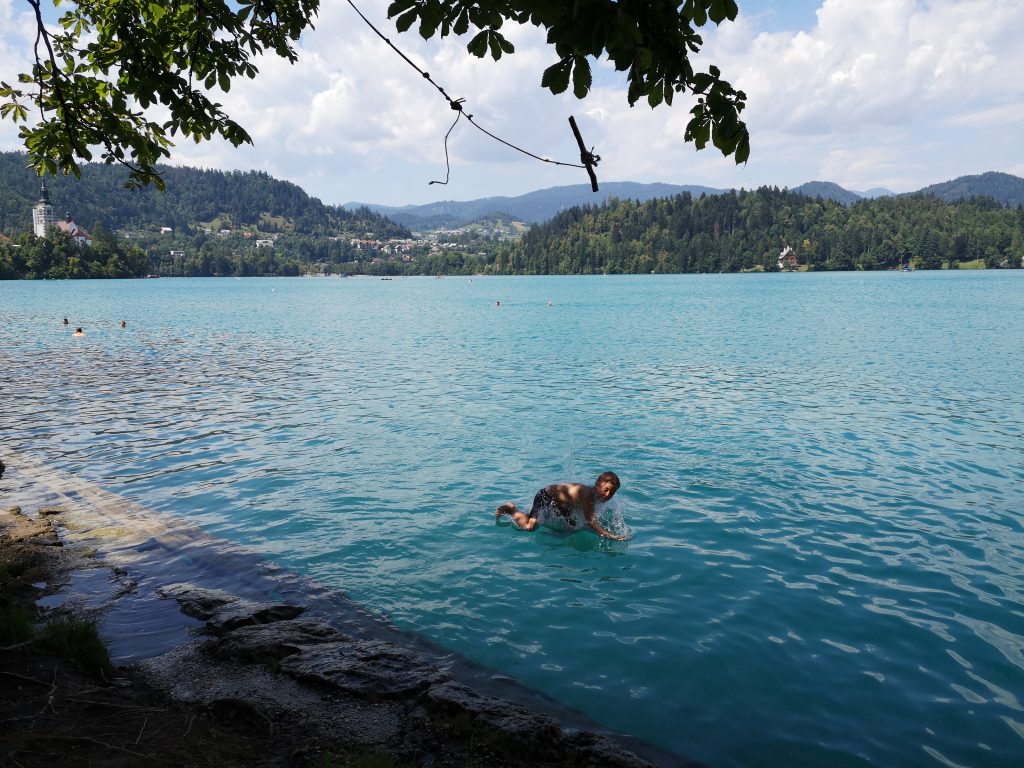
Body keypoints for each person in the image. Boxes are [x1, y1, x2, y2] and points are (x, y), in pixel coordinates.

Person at [496, 471, 625, 540]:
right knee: (530, 527)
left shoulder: (597, 496)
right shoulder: (589, 496)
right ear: (597, 485)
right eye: (606, 490)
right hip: (546, 496)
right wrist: (609, 535)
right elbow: (590, 521)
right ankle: (512, 509)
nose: (608, 495)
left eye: (612, 492)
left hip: (563, 504)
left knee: (571, 528)